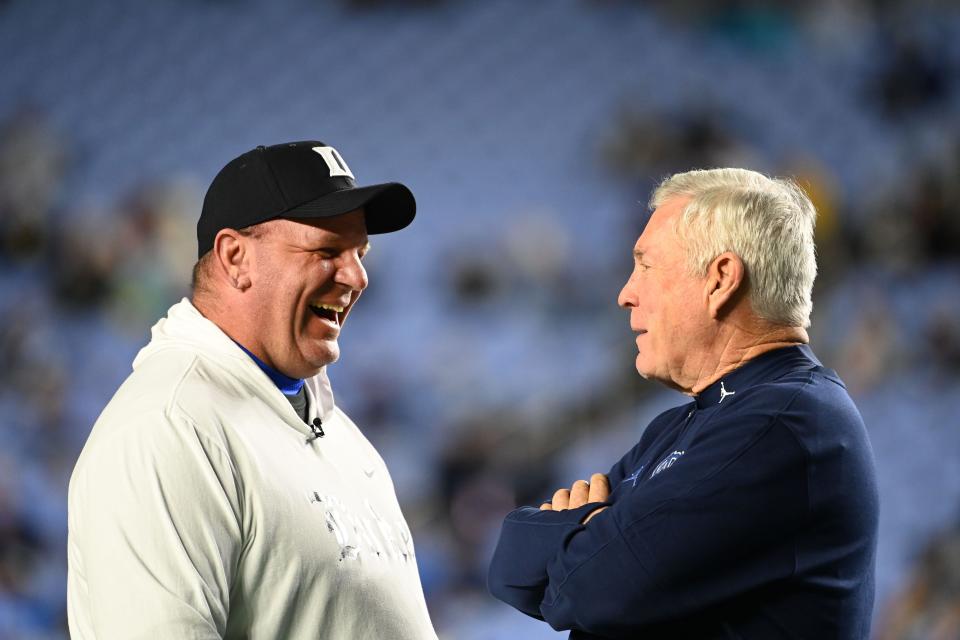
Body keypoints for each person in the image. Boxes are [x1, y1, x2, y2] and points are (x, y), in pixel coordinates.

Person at [67, 141, 439, 639]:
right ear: (236, 257)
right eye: (326, 251)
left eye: (359, 252)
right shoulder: (170, 426)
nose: (357, 276)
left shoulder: (339, 434)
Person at [488, 168, 879, 639]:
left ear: (721, 280)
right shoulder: (687, 424)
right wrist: (592, 531)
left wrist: (581, 532)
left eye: (646, 266)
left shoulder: (788, 425)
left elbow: (594, 591)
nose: (625, 294)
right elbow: (509, 567)